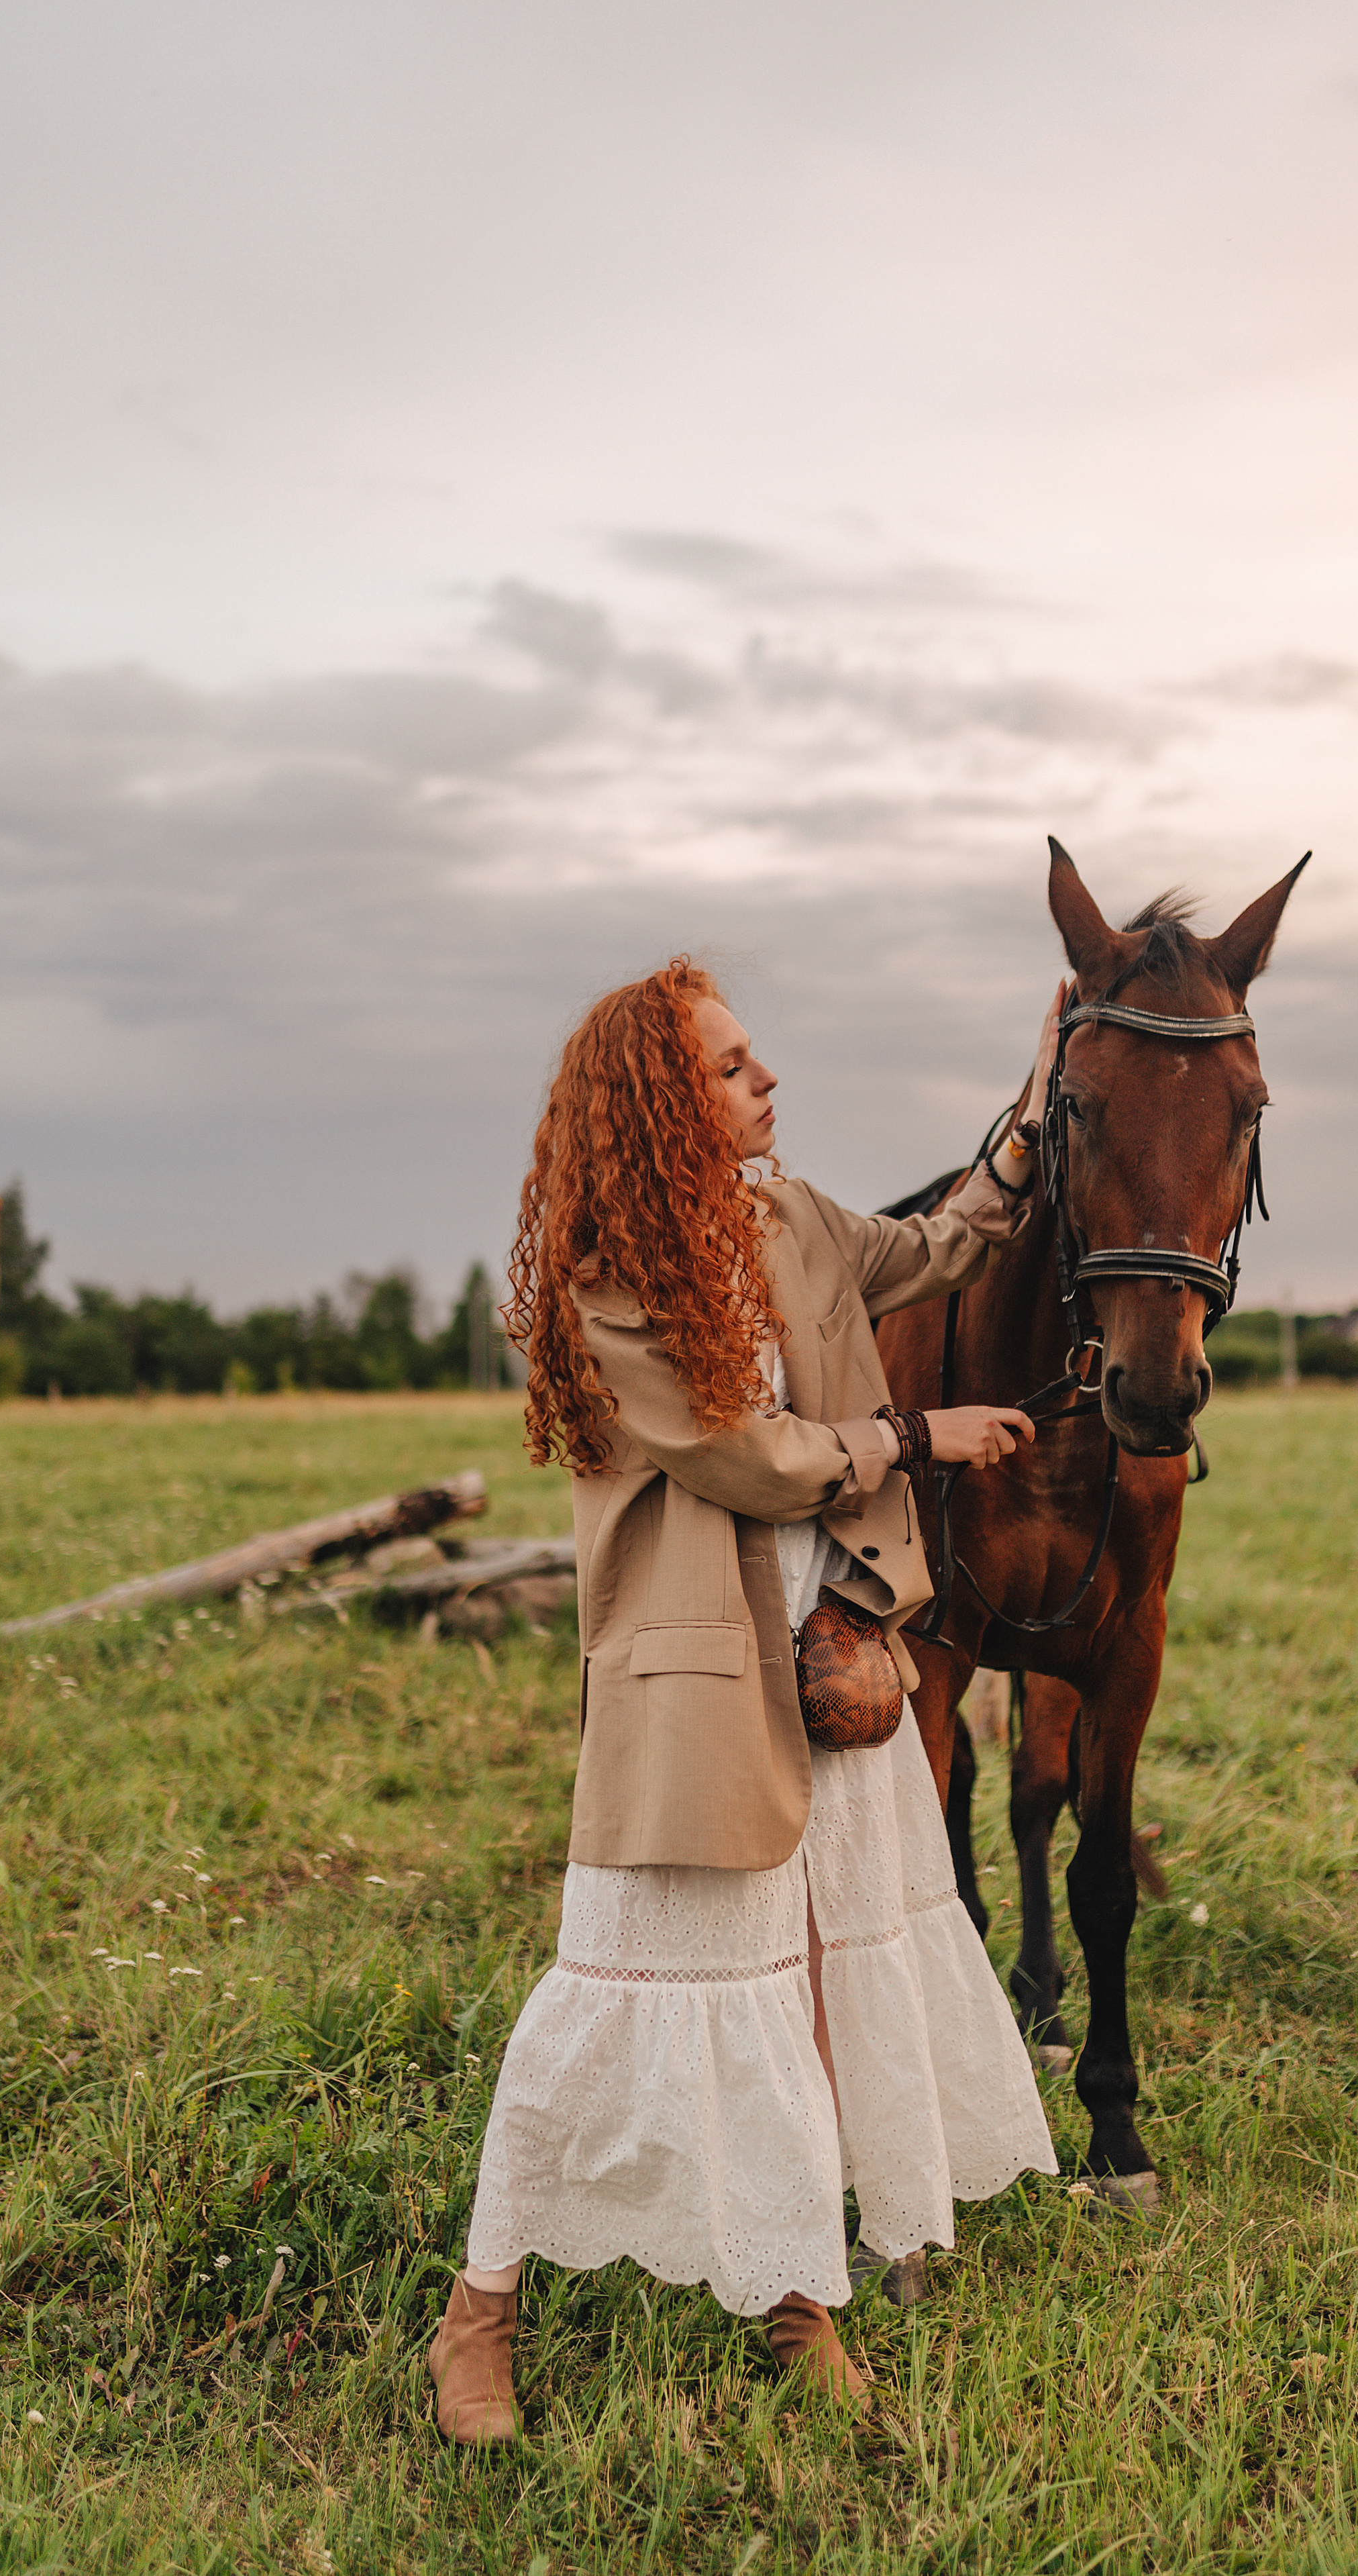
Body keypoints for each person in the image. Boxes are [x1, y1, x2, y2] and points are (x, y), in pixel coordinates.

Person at [427, 958, 1063, 2442]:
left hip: (833, 1656)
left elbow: (941, 1247)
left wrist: (1028, 1120)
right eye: (728, 1065)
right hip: (694, 1685)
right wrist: (920, 1435)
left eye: (752, 1057)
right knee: (607, 2000)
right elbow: (740, 1452)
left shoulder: (787, 1218)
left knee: (824, 1980)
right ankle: (478, 2314)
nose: (764, 1081)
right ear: (658, 1104)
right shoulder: (606, 1284)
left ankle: (796, 2290)